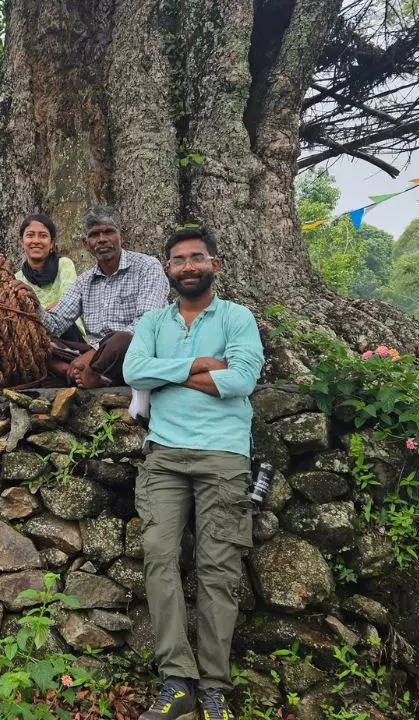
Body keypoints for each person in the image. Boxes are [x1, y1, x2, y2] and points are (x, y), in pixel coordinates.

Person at [122, 226, 265, 720]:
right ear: (168, 268)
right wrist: (200, 367)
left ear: (214, 264)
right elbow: (134, 372)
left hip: (223, 457)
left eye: (196, 258)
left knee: (218, 571)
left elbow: (243, 378)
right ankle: (176, 680)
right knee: (159, 558)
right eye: (178, 259)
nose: (187, 266)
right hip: (164, 455)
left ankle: (214, 686)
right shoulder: (154, 321)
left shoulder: (237, 317)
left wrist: (171, 371)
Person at [42, 205, 169, 388]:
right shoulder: (84, 281)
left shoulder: (147, 266)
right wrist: (30, 303)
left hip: (135, 351)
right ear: (86, 244)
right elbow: (55, 324)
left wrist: (94, 352)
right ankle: (76, 371)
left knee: (121, 340)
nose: (102, 240)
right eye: (94, 235)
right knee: (42, 343)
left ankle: (87, 373)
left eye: (109, 232)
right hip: (95, 355)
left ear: (121, 236)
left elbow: (148, 323)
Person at [13, 213, 83, 343]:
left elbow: (66, 305)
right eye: (30, 235)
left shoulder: (64, 265)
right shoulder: (17, 279)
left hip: (70, 335)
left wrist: (39, 309)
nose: (36, 241)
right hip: (35, 338)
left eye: (43, 236)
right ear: (21, 242)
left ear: (51, 243)